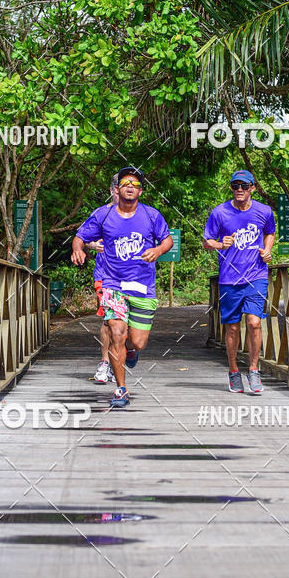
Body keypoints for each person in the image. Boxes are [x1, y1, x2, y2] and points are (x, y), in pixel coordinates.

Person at [71, 166, 173, 408]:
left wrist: (158, 250)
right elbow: (80, 236)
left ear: (141, 191)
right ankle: (121, 389)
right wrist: (78, 249)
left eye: (135, 184)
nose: (130, 186)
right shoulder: (103, 215)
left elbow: (167, 239)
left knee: (136, 342)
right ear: (117, 189)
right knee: (117, 333)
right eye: (126, 183)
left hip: (142, 287)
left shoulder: (151, 215)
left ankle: (131, 350)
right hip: (113, 283)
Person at [203, 169, 276, 394]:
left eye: (245, 186)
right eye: (236, 186)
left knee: (254, 322)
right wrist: (219, 244)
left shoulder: (264, 211)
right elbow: (207, 241)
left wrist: (267, 250)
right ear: (232, 188)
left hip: (256, 275)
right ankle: (234, 372)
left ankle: (253, 370)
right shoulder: (220, 212)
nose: (240, 190)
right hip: (229, 279)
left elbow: (270, 232)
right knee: (233, 327)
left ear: (252, 187)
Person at [85, 175, 119, 384]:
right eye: (116, 188)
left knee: (128, 324)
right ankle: (105, 362)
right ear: (111, 189)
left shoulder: (140, 214)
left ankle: (120, 360)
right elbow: (83, 237)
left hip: (131, 277)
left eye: (125, 187)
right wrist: (92, 245)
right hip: (105, 275)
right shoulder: (100, 213)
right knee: (107, 320)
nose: (120, 192)